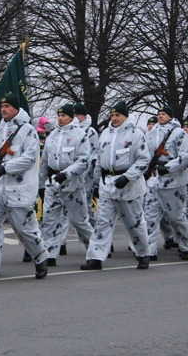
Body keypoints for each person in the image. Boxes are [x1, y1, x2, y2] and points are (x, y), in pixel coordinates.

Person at [0, 94, 49, 281]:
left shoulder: (27, 130)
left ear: (16, 108)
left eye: (7, 106)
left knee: (25, 230)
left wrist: (5, 168)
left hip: (19, 189)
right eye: (2, 106)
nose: (3, 109)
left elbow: (29, 158)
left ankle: (40, 256)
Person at [81, 101, 151, 270]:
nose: (114, 118)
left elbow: (144, 159)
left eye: (118, 115)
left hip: (128, 186)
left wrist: (128, 177)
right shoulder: (105, 133)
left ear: (125, 116)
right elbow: (99, 159)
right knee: (102, 222)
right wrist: (98, 182)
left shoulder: (135, 134)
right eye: (112, 115)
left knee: (134, 222)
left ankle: (143, 253)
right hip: (108, 184)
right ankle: (95, 257)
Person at [39, 104, 94, 265]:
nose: (61, 118)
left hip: (72, 184)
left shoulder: (80, 135)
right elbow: (45, 162)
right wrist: (41, 184)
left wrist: (67, 174)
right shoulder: (52, 136)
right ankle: (49, 254)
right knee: (49, 220)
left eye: (64, 116)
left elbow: (83, 161)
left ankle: (95, 251)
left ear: (71, 117)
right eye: (59, 115)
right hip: (53, 183)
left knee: (80, 222)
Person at [143, 105, 188, 261]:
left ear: (170, 116)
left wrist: (169, 167)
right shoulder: (151, 133)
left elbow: (187, 155)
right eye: (159, 114)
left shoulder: (179, 133)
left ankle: (186, 246)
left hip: (174, 182)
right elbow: (145, 153)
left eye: (164, 113)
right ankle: (149, 251)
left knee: (176, 217)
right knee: (150, 216)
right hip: (155, 180)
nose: (160, 116)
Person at [73, 102, 100, 233]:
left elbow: (94, 154)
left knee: (86, 206)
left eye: (77, 114)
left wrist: (85, 170)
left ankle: (99, 233)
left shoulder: (90, 131)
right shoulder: (71, 131)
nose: (75, 117)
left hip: (86, 174)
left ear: (84, 116)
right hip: (71, 175)